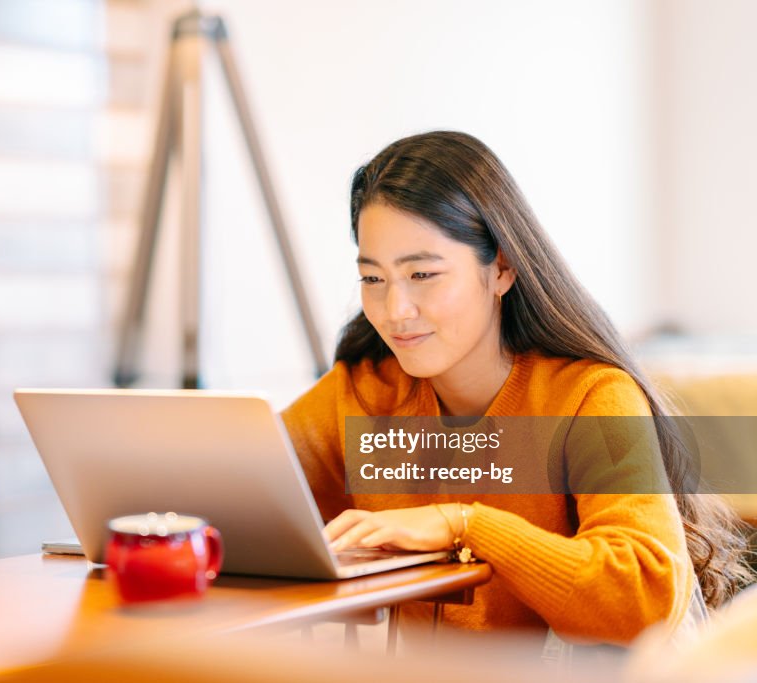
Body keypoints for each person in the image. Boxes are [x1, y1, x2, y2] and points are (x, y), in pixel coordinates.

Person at [280, 131, 752, 651]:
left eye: (422, 274)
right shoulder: (363, 394)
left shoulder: (593, 397)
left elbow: (644, 594)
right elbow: (245, 493)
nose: (395, 311)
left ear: (501, 267)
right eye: (373, 279)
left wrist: (466, 525)